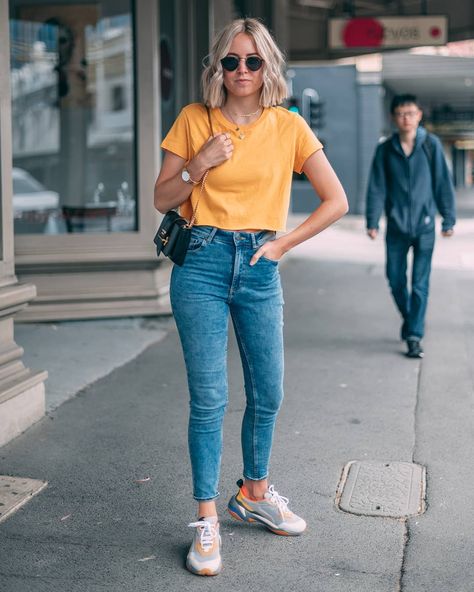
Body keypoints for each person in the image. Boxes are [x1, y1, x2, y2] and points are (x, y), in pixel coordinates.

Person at [154, 18, 348, 576]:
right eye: (231, 61)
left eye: (253, 61)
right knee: (210, 397)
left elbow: (335, 200)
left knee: (268, 391)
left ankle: (254, 492)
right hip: (203, 264)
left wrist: (283, 243)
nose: (241, 71)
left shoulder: (288, 126)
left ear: (268, 67)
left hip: (260, 264)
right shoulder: (195, 120)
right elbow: (161, 197)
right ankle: (208, 517)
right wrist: (198, 165)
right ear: (217, 68)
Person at [366, 94, 456, 359]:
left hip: (425, 225)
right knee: (395, 280)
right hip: (396, 226)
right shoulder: (385, 149)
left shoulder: (431, 146)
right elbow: (377, 187)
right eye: (401, 114)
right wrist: (372, 220)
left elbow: (442, 183)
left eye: (411, 113)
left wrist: (448, 218)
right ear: (394, 118)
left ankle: (414, 336)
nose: (406, 118)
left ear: (419, 115)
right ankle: (412, 320)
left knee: (419, 284)